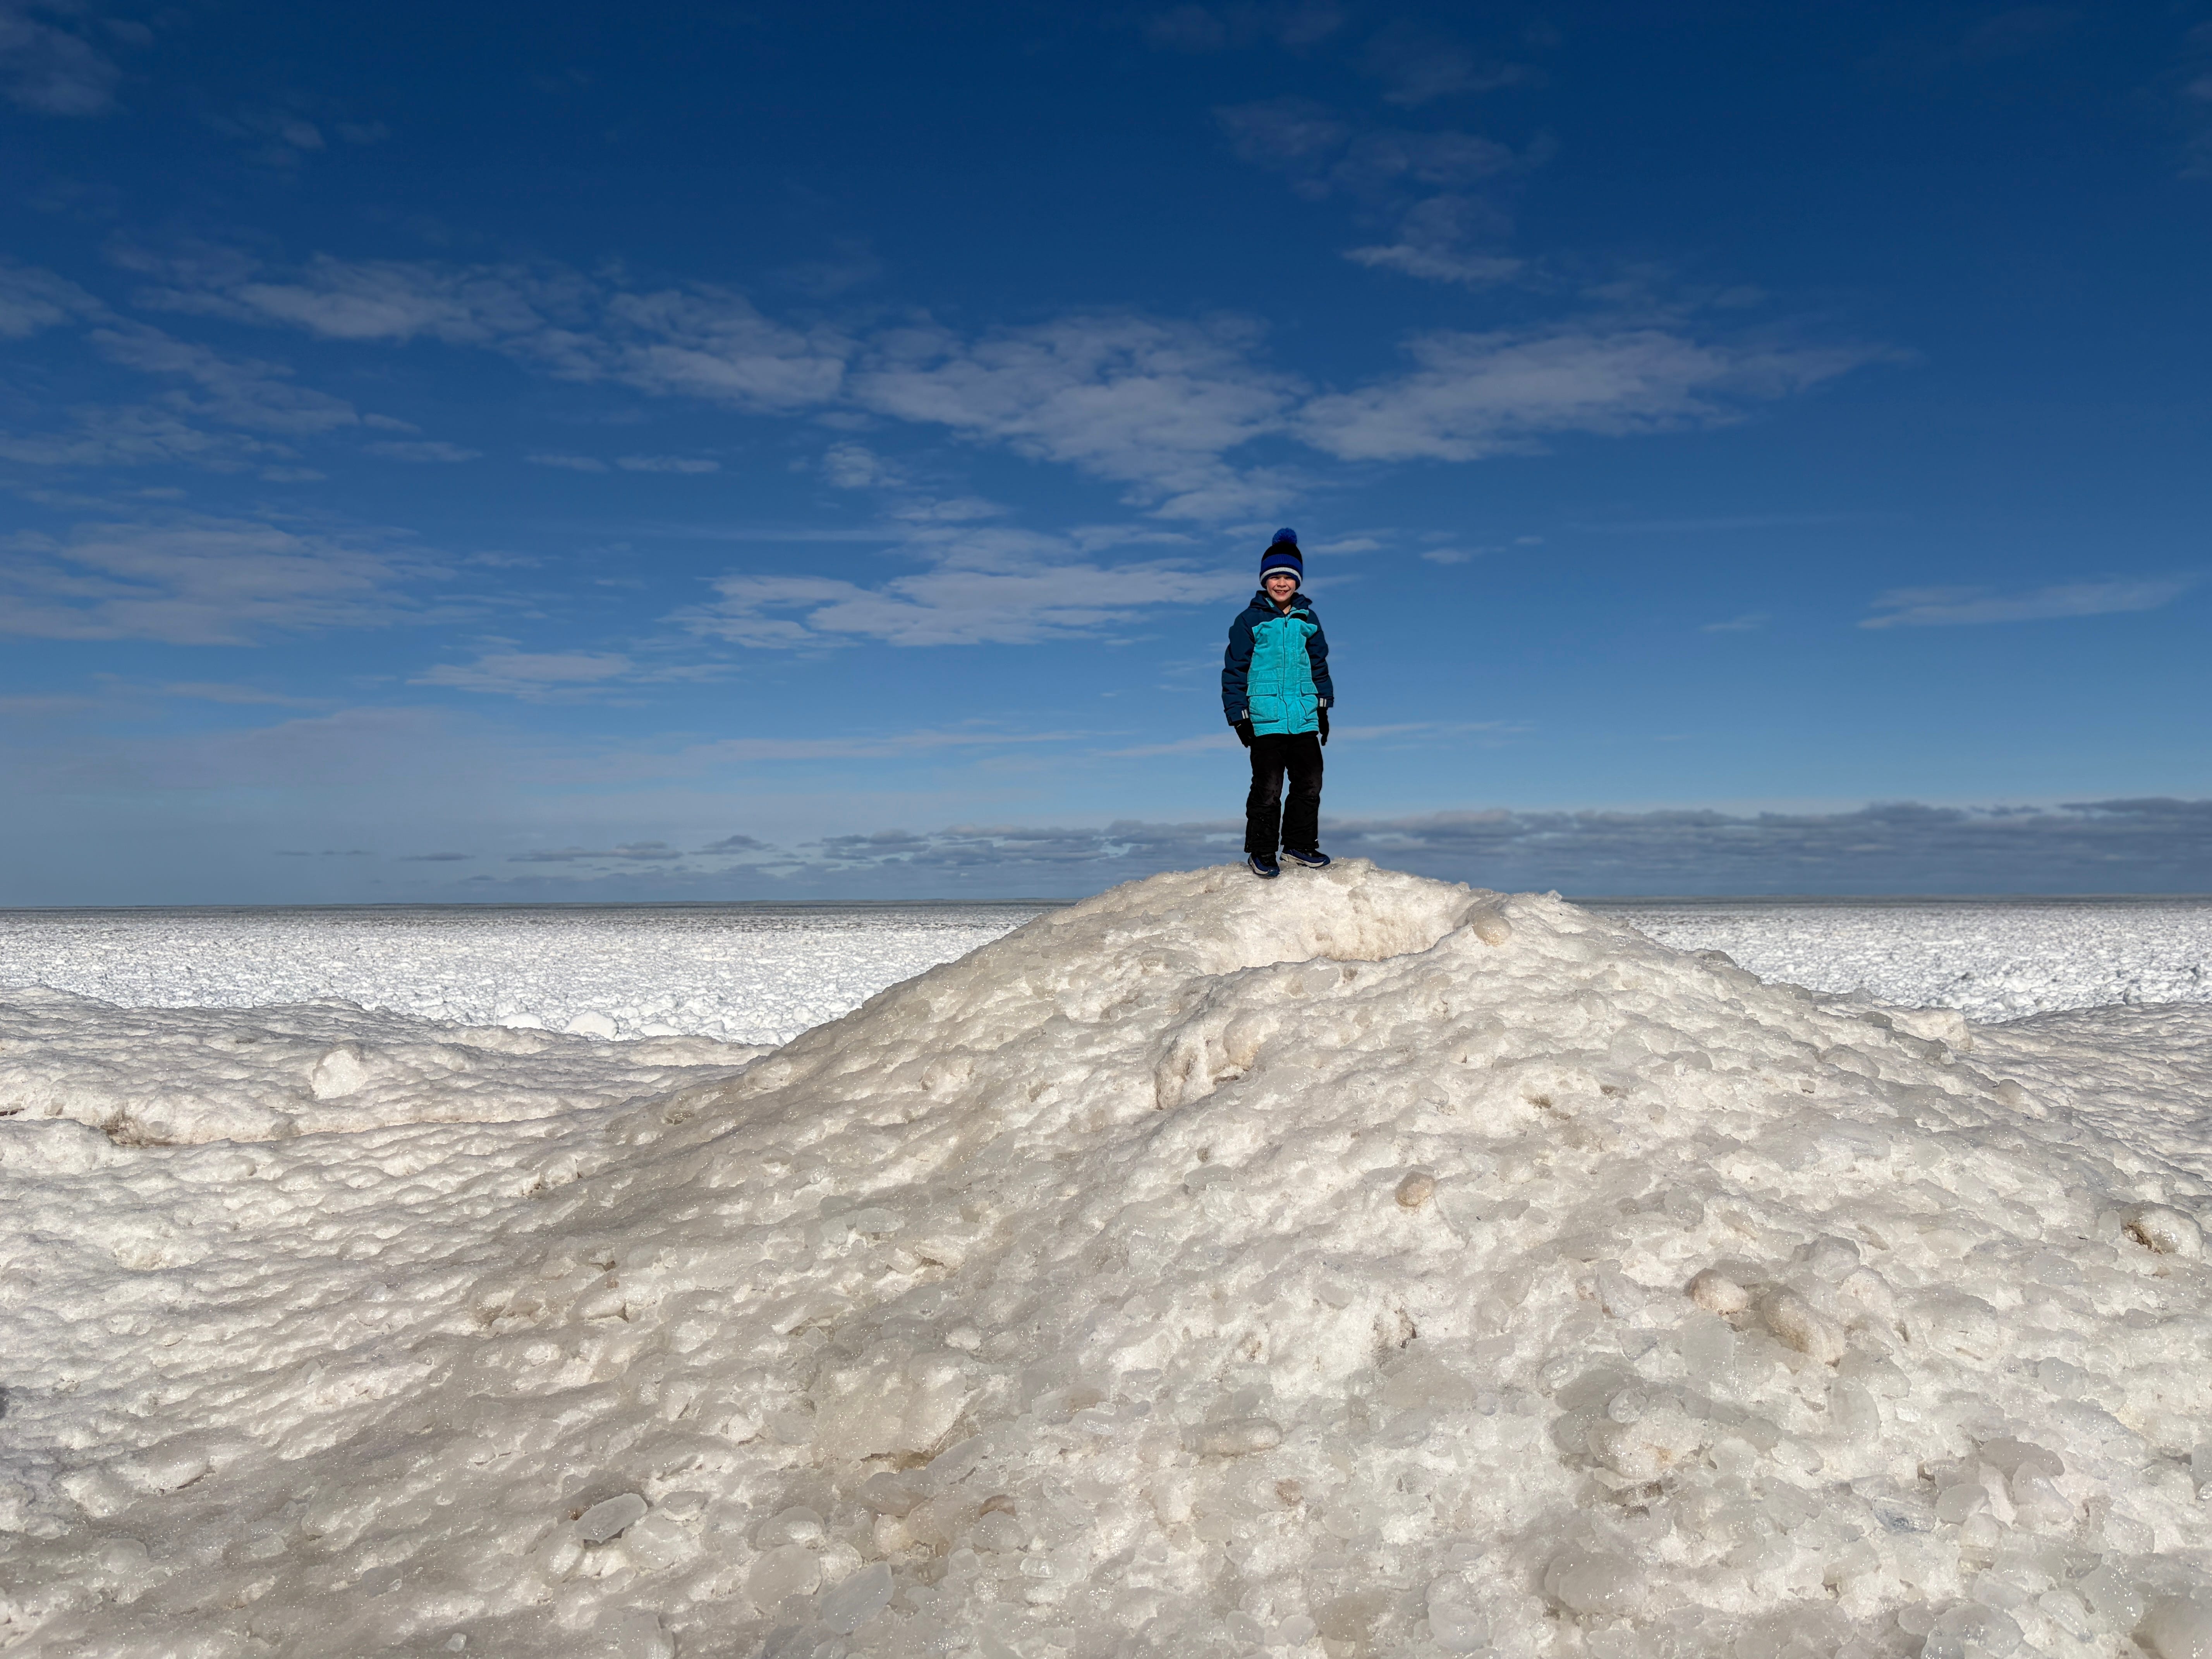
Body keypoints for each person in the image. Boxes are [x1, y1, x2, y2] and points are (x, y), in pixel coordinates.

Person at [1221, 527, 1334, 879]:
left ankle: (1299, 845)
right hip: (1265, 718)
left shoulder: (1308, 620)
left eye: (1288, 577)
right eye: (1275, 577)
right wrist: (1239, 716)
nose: (1281, 583)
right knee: (1268, 787)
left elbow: (1319, 665)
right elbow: (1234, 670)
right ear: (1264, 581)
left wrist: (1323, 708)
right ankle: (1262, 850)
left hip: (1303, 716)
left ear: (1298, 581)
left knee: (1310, 782)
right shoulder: (1249, 620)